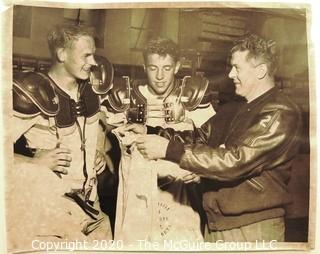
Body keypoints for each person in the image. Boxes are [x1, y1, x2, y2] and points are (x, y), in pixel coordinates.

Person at [122, 34, 302, 242]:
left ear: (261, 70)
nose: (231, 74)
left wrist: (168, 150)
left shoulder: (279, 111)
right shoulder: (236, 107)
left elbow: (235, 160)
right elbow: (199, 136)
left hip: (252, 227)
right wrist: (151, 132)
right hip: (218, 222)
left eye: (237, 67)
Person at [9, 24, 113, 251]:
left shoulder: (92, 89)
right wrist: (32, 162)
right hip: (52, 207)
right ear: (61, 54)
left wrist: (97, 153)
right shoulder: (33, 91)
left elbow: (99, 131)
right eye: (86, 55)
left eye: (93, 54)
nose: (94, 62)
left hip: (92, 205)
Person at [106, 37, 215, 243]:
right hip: (136, 192)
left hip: (179, 192)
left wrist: (200, 171)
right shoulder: (126, 96)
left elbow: (211, 142)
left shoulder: (191, 97)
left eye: (166, 68)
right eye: (153, 68)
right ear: (144, 66)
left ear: (177, 66)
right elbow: (102, 133)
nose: (159, 76)